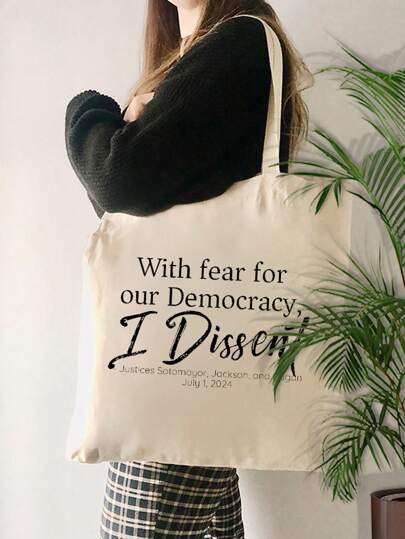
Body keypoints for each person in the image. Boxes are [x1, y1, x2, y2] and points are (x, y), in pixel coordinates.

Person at [64, 0, 311, 537]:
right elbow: (123, 202)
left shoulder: (238, 43)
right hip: (195, 356)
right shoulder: (203, 52)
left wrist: (91, 110)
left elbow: (118, 178)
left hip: (173, 360)